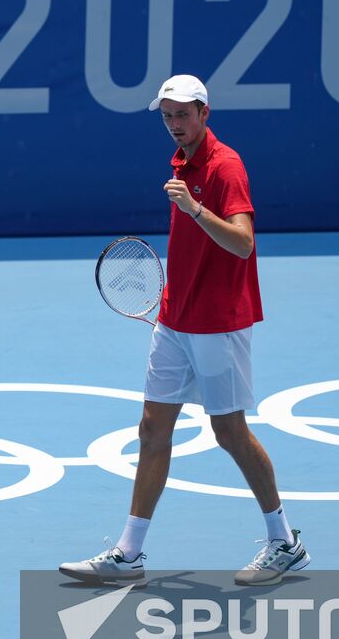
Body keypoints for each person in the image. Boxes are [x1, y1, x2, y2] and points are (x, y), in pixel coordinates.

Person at [60, 75, 309, 586]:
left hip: (218, 322)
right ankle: (129, 554)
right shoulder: (182, 160)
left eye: (182, 115)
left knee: (230, 433)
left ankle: (284, 542)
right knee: (152, 430)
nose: (174, 125)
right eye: (167, 117)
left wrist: (194, 209)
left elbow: (243, 243)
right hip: (176, 317)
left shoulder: (225, 166)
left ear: (204, 113)